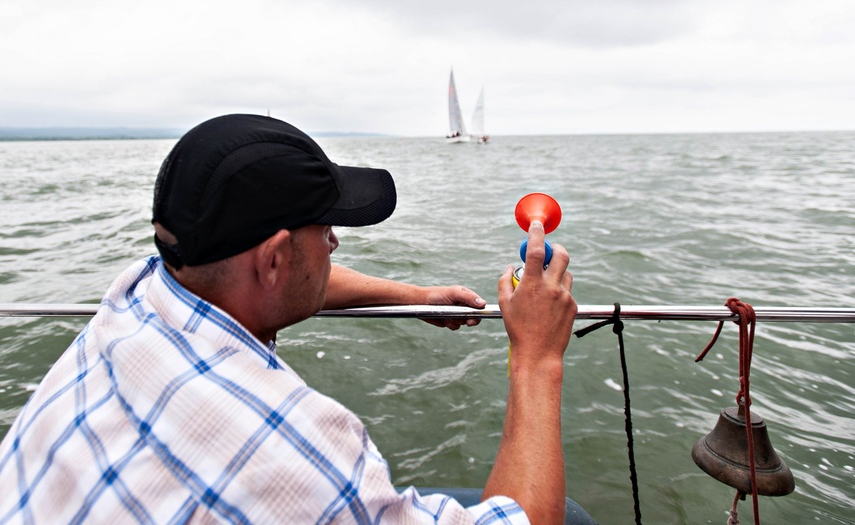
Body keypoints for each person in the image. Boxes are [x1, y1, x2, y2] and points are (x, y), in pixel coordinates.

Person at [0, 114, 594, 524]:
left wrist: (414, 295)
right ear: (276, 258)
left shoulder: (139, 291)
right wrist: (536, 354)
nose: (335, 241)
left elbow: (279, 280)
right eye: (324, 226)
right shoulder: (295, 453)